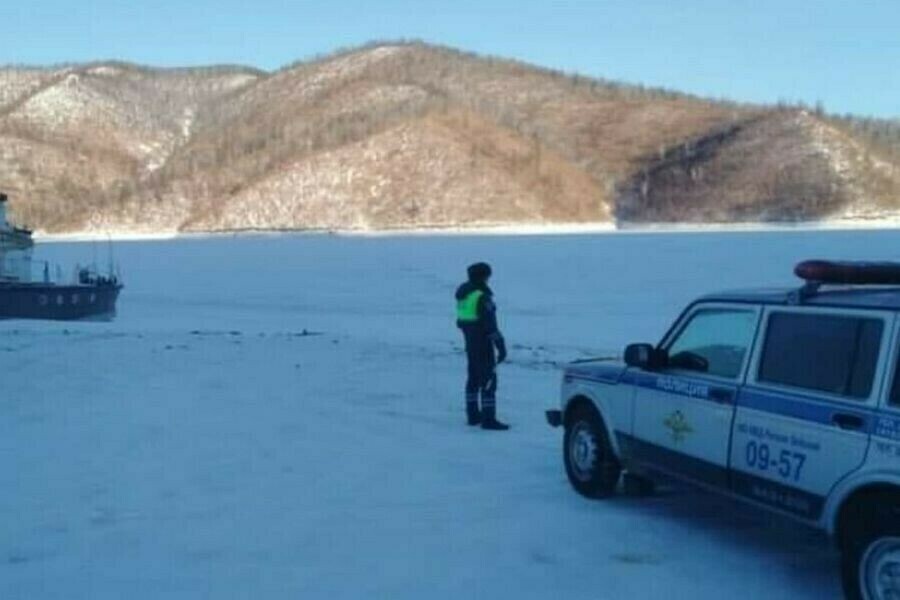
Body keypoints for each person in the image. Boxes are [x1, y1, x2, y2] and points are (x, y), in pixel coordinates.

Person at [455, 262, 509, 430]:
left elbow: (460, 321)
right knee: (488, 380)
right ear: (484, 276)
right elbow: (490, 325)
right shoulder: (481, 297)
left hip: (470, 342)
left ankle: (472, 415)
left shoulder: (464, 295)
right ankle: (488, 418)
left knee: (473, 379)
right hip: (483, 343)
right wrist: (500, 345)